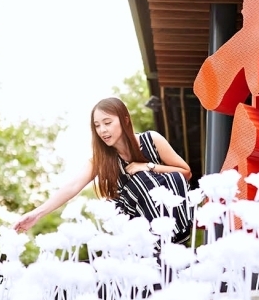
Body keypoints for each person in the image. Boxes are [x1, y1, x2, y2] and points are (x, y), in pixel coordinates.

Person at [13, 97, 193, 245]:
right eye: (97, 125)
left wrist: (147, 166)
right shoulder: (100, 160)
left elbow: (185, 173)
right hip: (133, 226)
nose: (102, 130)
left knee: (150, 177)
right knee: (139, 181)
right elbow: (72, 186)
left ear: (125, 120)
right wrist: (37, 213)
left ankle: (173, 237)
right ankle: (153, 245)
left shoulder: (151, 140)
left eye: (107, 122)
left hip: (171, 221)